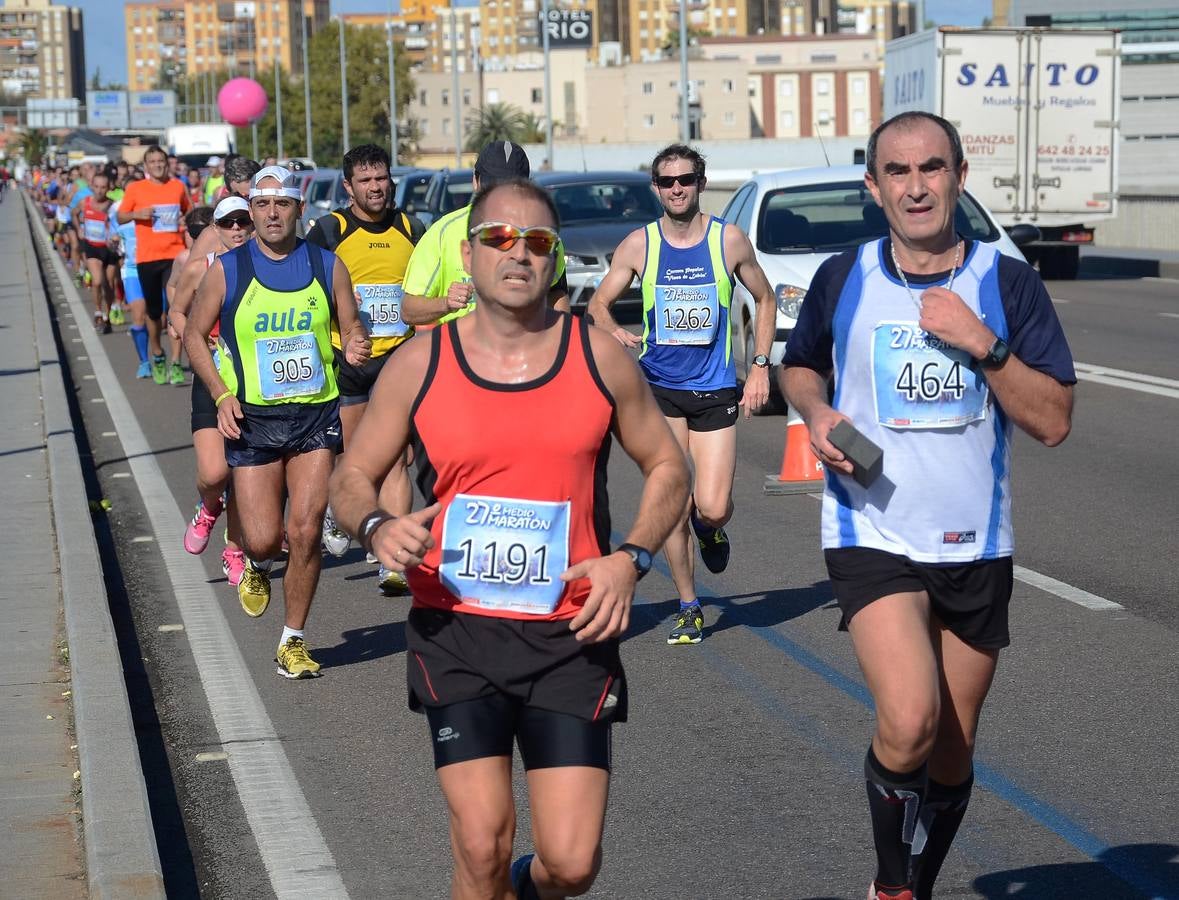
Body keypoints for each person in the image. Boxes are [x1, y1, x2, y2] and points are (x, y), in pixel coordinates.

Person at [329, 177, 688, 900]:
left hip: (570, 636)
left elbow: (667, 466)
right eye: (497, 238)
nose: (516, 253)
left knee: (571, 864)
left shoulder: (597, 357)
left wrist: (633, 558)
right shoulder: (420, 363)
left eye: (536, 242)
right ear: (468, 255)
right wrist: (374, 525)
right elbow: (351, 476)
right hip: (457, 632)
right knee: (482, 842)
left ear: (554, 259)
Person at [779, 111, 1075, 900]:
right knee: (907, 719)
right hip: (869, 527)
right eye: (898, 173)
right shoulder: (845, 277)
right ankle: (890, 887)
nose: (916, 187)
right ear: (872, 187)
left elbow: (1051, 420)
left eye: (932, 169)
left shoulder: (1005, 284)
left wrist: (982, 343)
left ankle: (919, 881)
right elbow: (798, 366)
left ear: (959, 178)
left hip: (975, 542)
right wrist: (816, 415)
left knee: (949, 749)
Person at [183, 166, 370, 679]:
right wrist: (221, 393)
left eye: (281, 204)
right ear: (252, 210)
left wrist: (354, 338)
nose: (270, 213)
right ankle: (255, 561)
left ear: (297, 209)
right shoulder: (228, 268)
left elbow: (350, 321)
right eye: (261, 205)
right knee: (265, 539)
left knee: (305, 530)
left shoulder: (327, 265)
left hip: (314, 413)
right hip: (253, 419)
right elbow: (195, 336)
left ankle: (293, 640)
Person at [586, 143, 776, 645]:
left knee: (710, 505)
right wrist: (615, 332)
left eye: (686, 179)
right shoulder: (639, 245)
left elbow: (765, 297)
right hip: (658, 391)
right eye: (668, 181)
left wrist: (758, 367)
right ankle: (689, 604)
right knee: (671, 498)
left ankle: (710, 527)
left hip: (714, 389)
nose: (677, 188)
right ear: (656, 188)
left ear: (700, 182)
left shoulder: (727, 241)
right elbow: (598, 304)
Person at [305, 143, 427, 591]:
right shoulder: (329, 230)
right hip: (348, 360)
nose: (376, 188)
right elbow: (307, 294)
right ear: (348, 186)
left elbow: (422, 290)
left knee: (395, 458)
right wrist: (343, 329)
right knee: (357, 458)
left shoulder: (412, 227)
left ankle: (393, 560)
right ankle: (343, 511)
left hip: (398, 358)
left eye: (382, 178)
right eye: (366, 181)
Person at [170, 196, 252, 585]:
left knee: (240, 472)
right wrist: (192, 336)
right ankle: (207, 507)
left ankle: (234, 552)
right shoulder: (202, 267)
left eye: (243, 222)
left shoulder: (268, 266)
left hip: (255, 379)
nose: (237, 229)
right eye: (228, 223)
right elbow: (177, 309)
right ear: (215, 228)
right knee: (215, 471)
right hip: (212, 378)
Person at [401, 140, 570, 325]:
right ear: (475, 181)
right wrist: (445, 303)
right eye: (491, 187)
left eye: (510, 188)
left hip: (523, 350)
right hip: (461, 350)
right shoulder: (444, 232)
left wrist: (559, 341)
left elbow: (556, 293)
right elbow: (409, 310)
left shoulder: (542, 233)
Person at [117, 144, 193, 384]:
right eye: (153, 162)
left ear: (166, 163)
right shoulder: (136, 189)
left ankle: (176, 362)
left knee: (176, 308)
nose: (158, 165)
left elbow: (190, 213)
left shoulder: (178, 186)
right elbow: (120, 216)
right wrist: (137, 214)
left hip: (174, 255)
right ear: (146, 166)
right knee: (154, 312)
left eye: (161, 161)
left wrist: (184, 219)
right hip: (148, 258)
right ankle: (158, 354)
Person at [74, 169, 119, 334]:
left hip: (110, 250)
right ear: (92, 186)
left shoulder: (113, 205)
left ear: (108, 188)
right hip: (92, 247)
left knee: (109, 284)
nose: (100, 190)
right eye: (97, 186)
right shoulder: (85, 202)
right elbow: (74, 214)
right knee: (98, 281)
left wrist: (116, 237)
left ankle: (107, 316)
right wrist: (79, 229)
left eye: (103, 187)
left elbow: (120, 225)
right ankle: (98, 312)